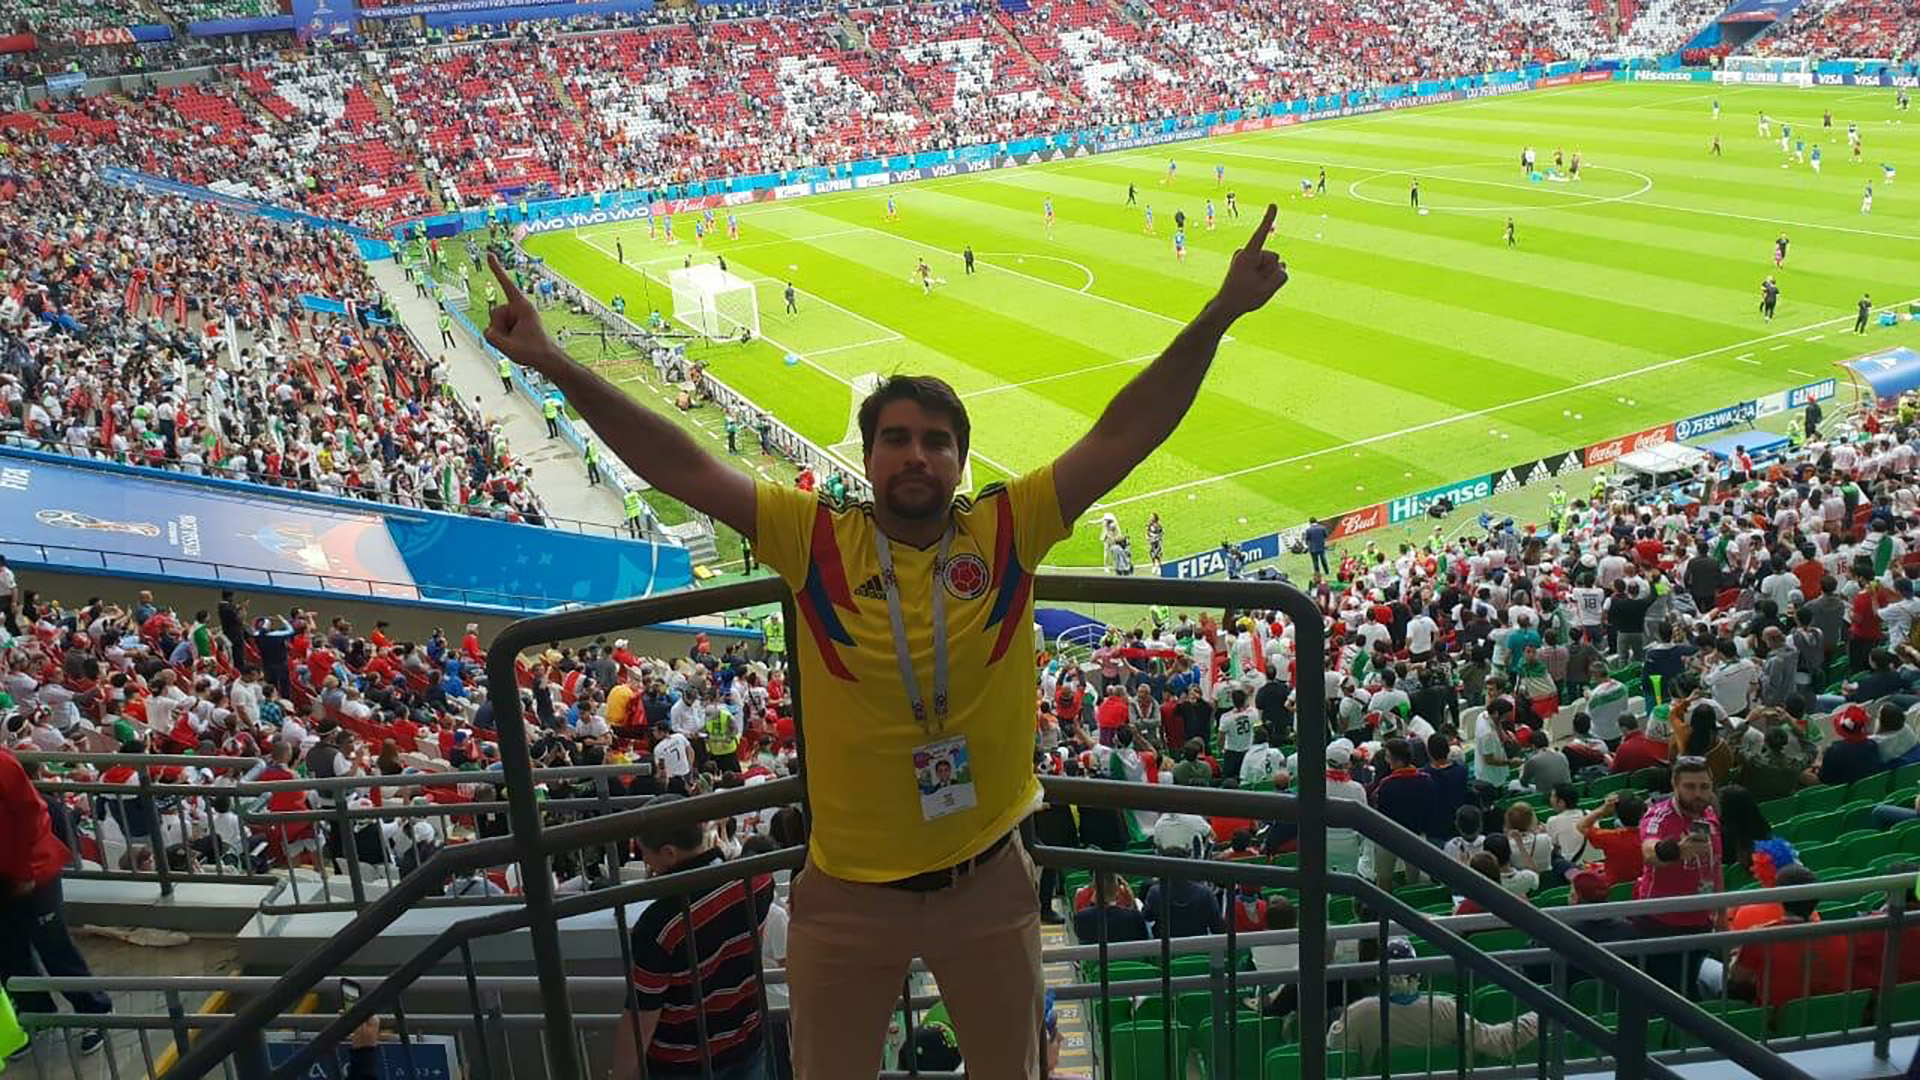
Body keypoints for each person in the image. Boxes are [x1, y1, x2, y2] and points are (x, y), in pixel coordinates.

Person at [475, 203, 1289, 1076]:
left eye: (936, 443)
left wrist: (1220, 311)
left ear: (959, 464)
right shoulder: (813, 537)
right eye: (895, 439)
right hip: (845, 892)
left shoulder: (1007, 529)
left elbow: (1126, 432)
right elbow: (680, 465)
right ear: (866, 460)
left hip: (987, 882)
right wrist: (556, 364)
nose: (916, 456)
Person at [611, 795, 775, 1080]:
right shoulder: (756, 880)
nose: (644, 859)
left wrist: (622, 1075)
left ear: (669, 853)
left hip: (683, 1065)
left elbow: (643, 1016)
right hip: (748, 1043)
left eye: (644, 851)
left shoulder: (658, 924)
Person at [0, 747, 112, 1056]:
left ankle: (94, 1012)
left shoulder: (3, 764)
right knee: (8, 951)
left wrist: (24, 871)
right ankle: (38, 1014)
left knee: (53, 946)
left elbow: (32, 815)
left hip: (33, 871)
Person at [1327, 938, 1539, 1068]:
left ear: (1379, 977)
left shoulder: (1358, 1014)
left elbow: (1335, 1055)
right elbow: (1497, 1041)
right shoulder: (1444, 1009)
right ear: (1418, 975)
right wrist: (1538, 1016)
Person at [1634, 758, 1723, 996]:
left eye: (1704, 787)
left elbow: (1716, 867)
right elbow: (1649, 852)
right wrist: (1675, 852)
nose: (1698, 794)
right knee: (1671, 998)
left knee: (1693, 989)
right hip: (1662, 924)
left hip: (1701, 921)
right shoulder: (1658, 816)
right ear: (1675, 785)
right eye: (1690, 787)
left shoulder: (1710, 813)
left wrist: (1721, 916)